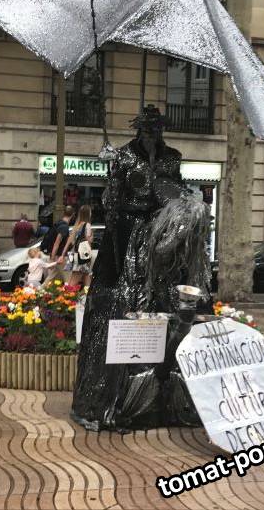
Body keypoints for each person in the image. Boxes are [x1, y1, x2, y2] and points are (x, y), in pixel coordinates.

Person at [71, 106, 211, 432]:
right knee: (126, 301)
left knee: (169, 303)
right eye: (147, 129)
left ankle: (166, 396)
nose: (151, 134)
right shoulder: (123, 156)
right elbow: (112, 203)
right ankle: (121, 397)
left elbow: (176, 192)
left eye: (156, 129)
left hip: (159, 237)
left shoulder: (172, 158)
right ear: (139, 130)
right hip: (128, 238)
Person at [58, 205, 93, 288]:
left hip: (74, 254)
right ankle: (66, 294)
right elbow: (89, 240)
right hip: (83, 256)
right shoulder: (87, 225)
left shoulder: (77, 225)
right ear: (88, 213)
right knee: (73, 282)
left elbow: (69, 241)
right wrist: (91, 238)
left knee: (87, 279)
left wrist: (62, 255)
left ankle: (87, 295)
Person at [43, 205, 74, 286]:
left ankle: (40, 291)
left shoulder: (58, 224)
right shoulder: (64, 227)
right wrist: (52, 258)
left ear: (64, 213)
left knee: (52, 277)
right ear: (72, 215)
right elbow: (57, 243)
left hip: (58, 256)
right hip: (61, 257)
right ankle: (70, 293)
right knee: (69, 279)